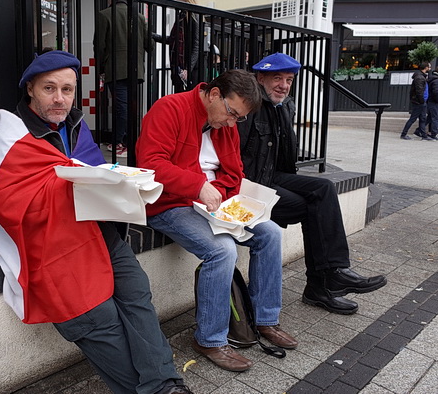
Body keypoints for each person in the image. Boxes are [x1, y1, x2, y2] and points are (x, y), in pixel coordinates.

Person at [0, 50, 192, 394]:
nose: (59, 98)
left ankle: (165, 383)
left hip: (98, 232)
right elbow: (6, 205)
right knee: (97, 320)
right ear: (30, 90)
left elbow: (94, 173)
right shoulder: (13, 138)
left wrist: (124, 188)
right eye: (49, 88)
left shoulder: (76, 126)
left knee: (137, 289)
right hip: (53, 247)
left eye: (67, 89)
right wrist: (68, 184)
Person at [136, 69, 298, 373]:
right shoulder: (169, 108)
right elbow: (150, 164)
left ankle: (265, 320)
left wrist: (218, 194)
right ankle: (210, 338)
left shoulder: (225, 123)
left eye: (239, 118)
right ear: (213, 94)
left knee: (272, 233)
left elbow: (235, 172)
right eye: (231, 112)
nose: (232, 122)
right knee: (222, 250)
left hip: (215, 204)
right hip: (171, 204)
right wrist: (197, 187)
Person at [237, 52, 387, 316]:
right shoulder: (248, 108)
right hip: (250, 185)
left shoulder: (281, 107)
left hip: (272, 176)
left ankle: (335, 271)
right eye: (277, 78)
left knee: (324, 188)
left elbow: (285, 159)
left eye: (289, 80)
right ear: (260, 78)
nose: (283, 85)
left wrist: (285, 113)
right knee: (310, 207)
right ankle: (321, 286)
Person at [94, 0, 153, 157]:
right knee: (130, 107)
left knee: (121, 107)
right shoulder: (140, 17)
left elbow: (99, 46)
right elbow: (150, 45)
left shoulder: (104, 15)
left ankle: (120, 142)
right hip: (137, 71)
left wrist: (101, 68)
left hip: (115, 69)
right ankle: (128, 142)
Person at [154, 0, 201, 92]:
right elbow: (173, 40)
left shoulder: (194, 16)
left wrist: (188, 69)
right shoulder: (182, 16)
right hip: (179, 68)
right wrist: (153, 36)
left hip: (188, 70)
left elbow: (196, 45)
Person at [401, 62, 433, 140]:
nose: (430, 68)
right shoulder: (420, 77)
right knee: (413, 118)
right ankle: (404, 134)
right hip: (419, 102)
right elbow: (419, 91)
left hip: (421, 101)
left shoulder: (421, 76)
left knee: (423, 118)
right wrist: (422, 101)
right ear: (426, 67)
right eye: (429, 67)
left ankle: (424, 135)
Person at [427, 70, 438, 139]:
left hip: (431, 101)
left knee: (430, 117)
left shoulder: (431, 80)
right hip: (434, 102)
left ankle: (419, 130)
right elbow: (436, 92)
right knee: (435, 118)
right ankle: (434, 134)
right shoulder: (436, 81)